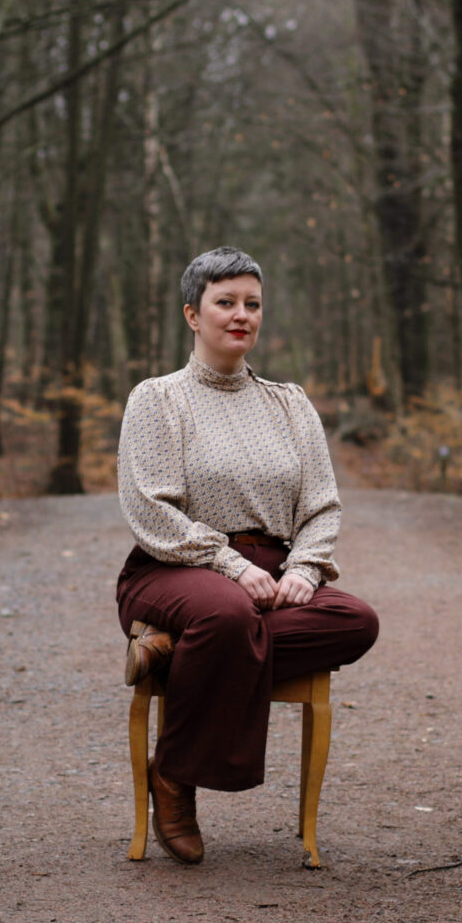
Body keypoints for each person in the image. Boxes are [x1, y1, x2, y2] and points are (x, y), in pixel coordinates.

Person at [115, 248, 381, 864]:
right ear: (192, 314)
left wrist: (305, 569)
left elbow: (322, 506)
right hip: (175, 565)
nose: (242, 315)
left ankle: (180, 653)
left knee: (356, 620)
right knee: (227, 614)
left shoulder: (289, 402)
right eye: (226, 302)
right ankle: (175, 778)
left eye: (252, 304)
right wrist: (231, 566)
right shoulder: (157, 399)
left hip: (272, 571)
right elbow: (151, 510)